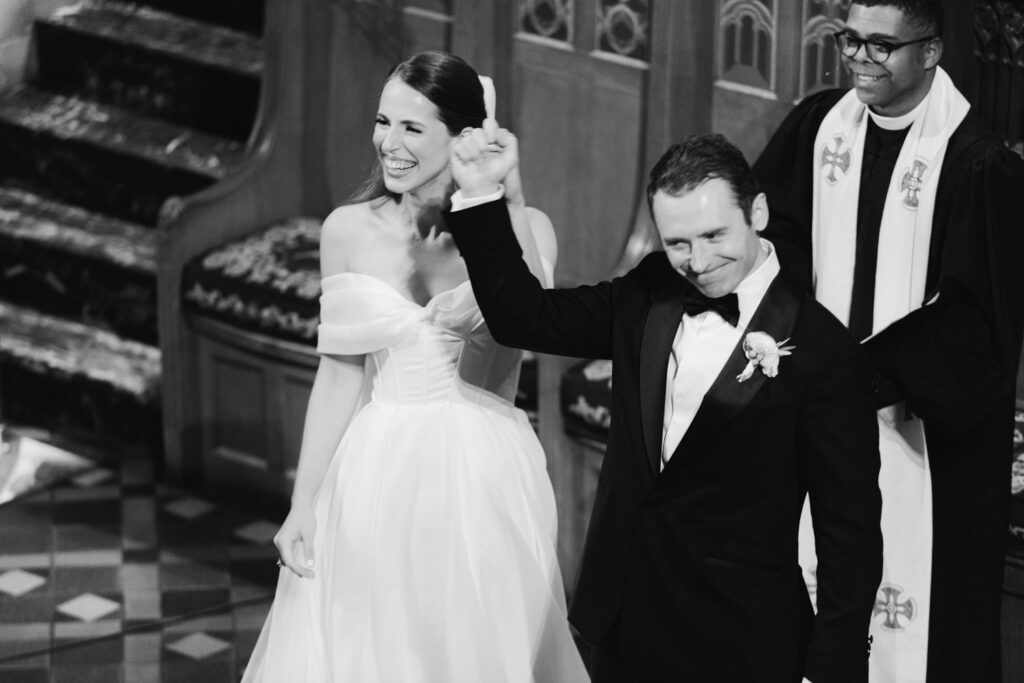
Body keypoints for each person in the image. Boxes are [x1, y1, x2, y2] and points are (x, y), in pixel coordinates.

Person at [446, 131, 883, 683]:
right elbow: (524, 318)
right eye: (678, 243)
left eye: (715, 235)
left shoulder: (824, 353)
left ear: (759, 213)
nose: (698, 262)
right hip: (623, 618)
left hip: (740, 640)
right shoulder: (652, 289)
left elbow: (851, 538)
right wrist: (483, 197)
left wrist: (833, 671)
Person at [241, 50, 589, 683]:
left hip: (485, 477)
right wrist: (303, 503)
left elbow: (534, 320)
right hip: (377, 473)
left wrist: (505, 193)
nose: (388, 144)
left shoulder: (526, 225)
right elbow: (339, 375)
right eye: (383, 121)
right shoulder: (346, 230)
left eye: (411, 128)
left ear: (462, 138)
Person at [752, 2, 1024, 682]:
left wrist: (857, 378)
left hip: (923, 436)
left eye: (881, 45)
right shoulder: (818, 126)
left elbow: (976, 324)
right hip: (817, 412)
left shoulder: (975, 161)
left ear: (930, 52)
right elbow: (772, 239)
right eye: (851, 40)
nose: (860, 58)